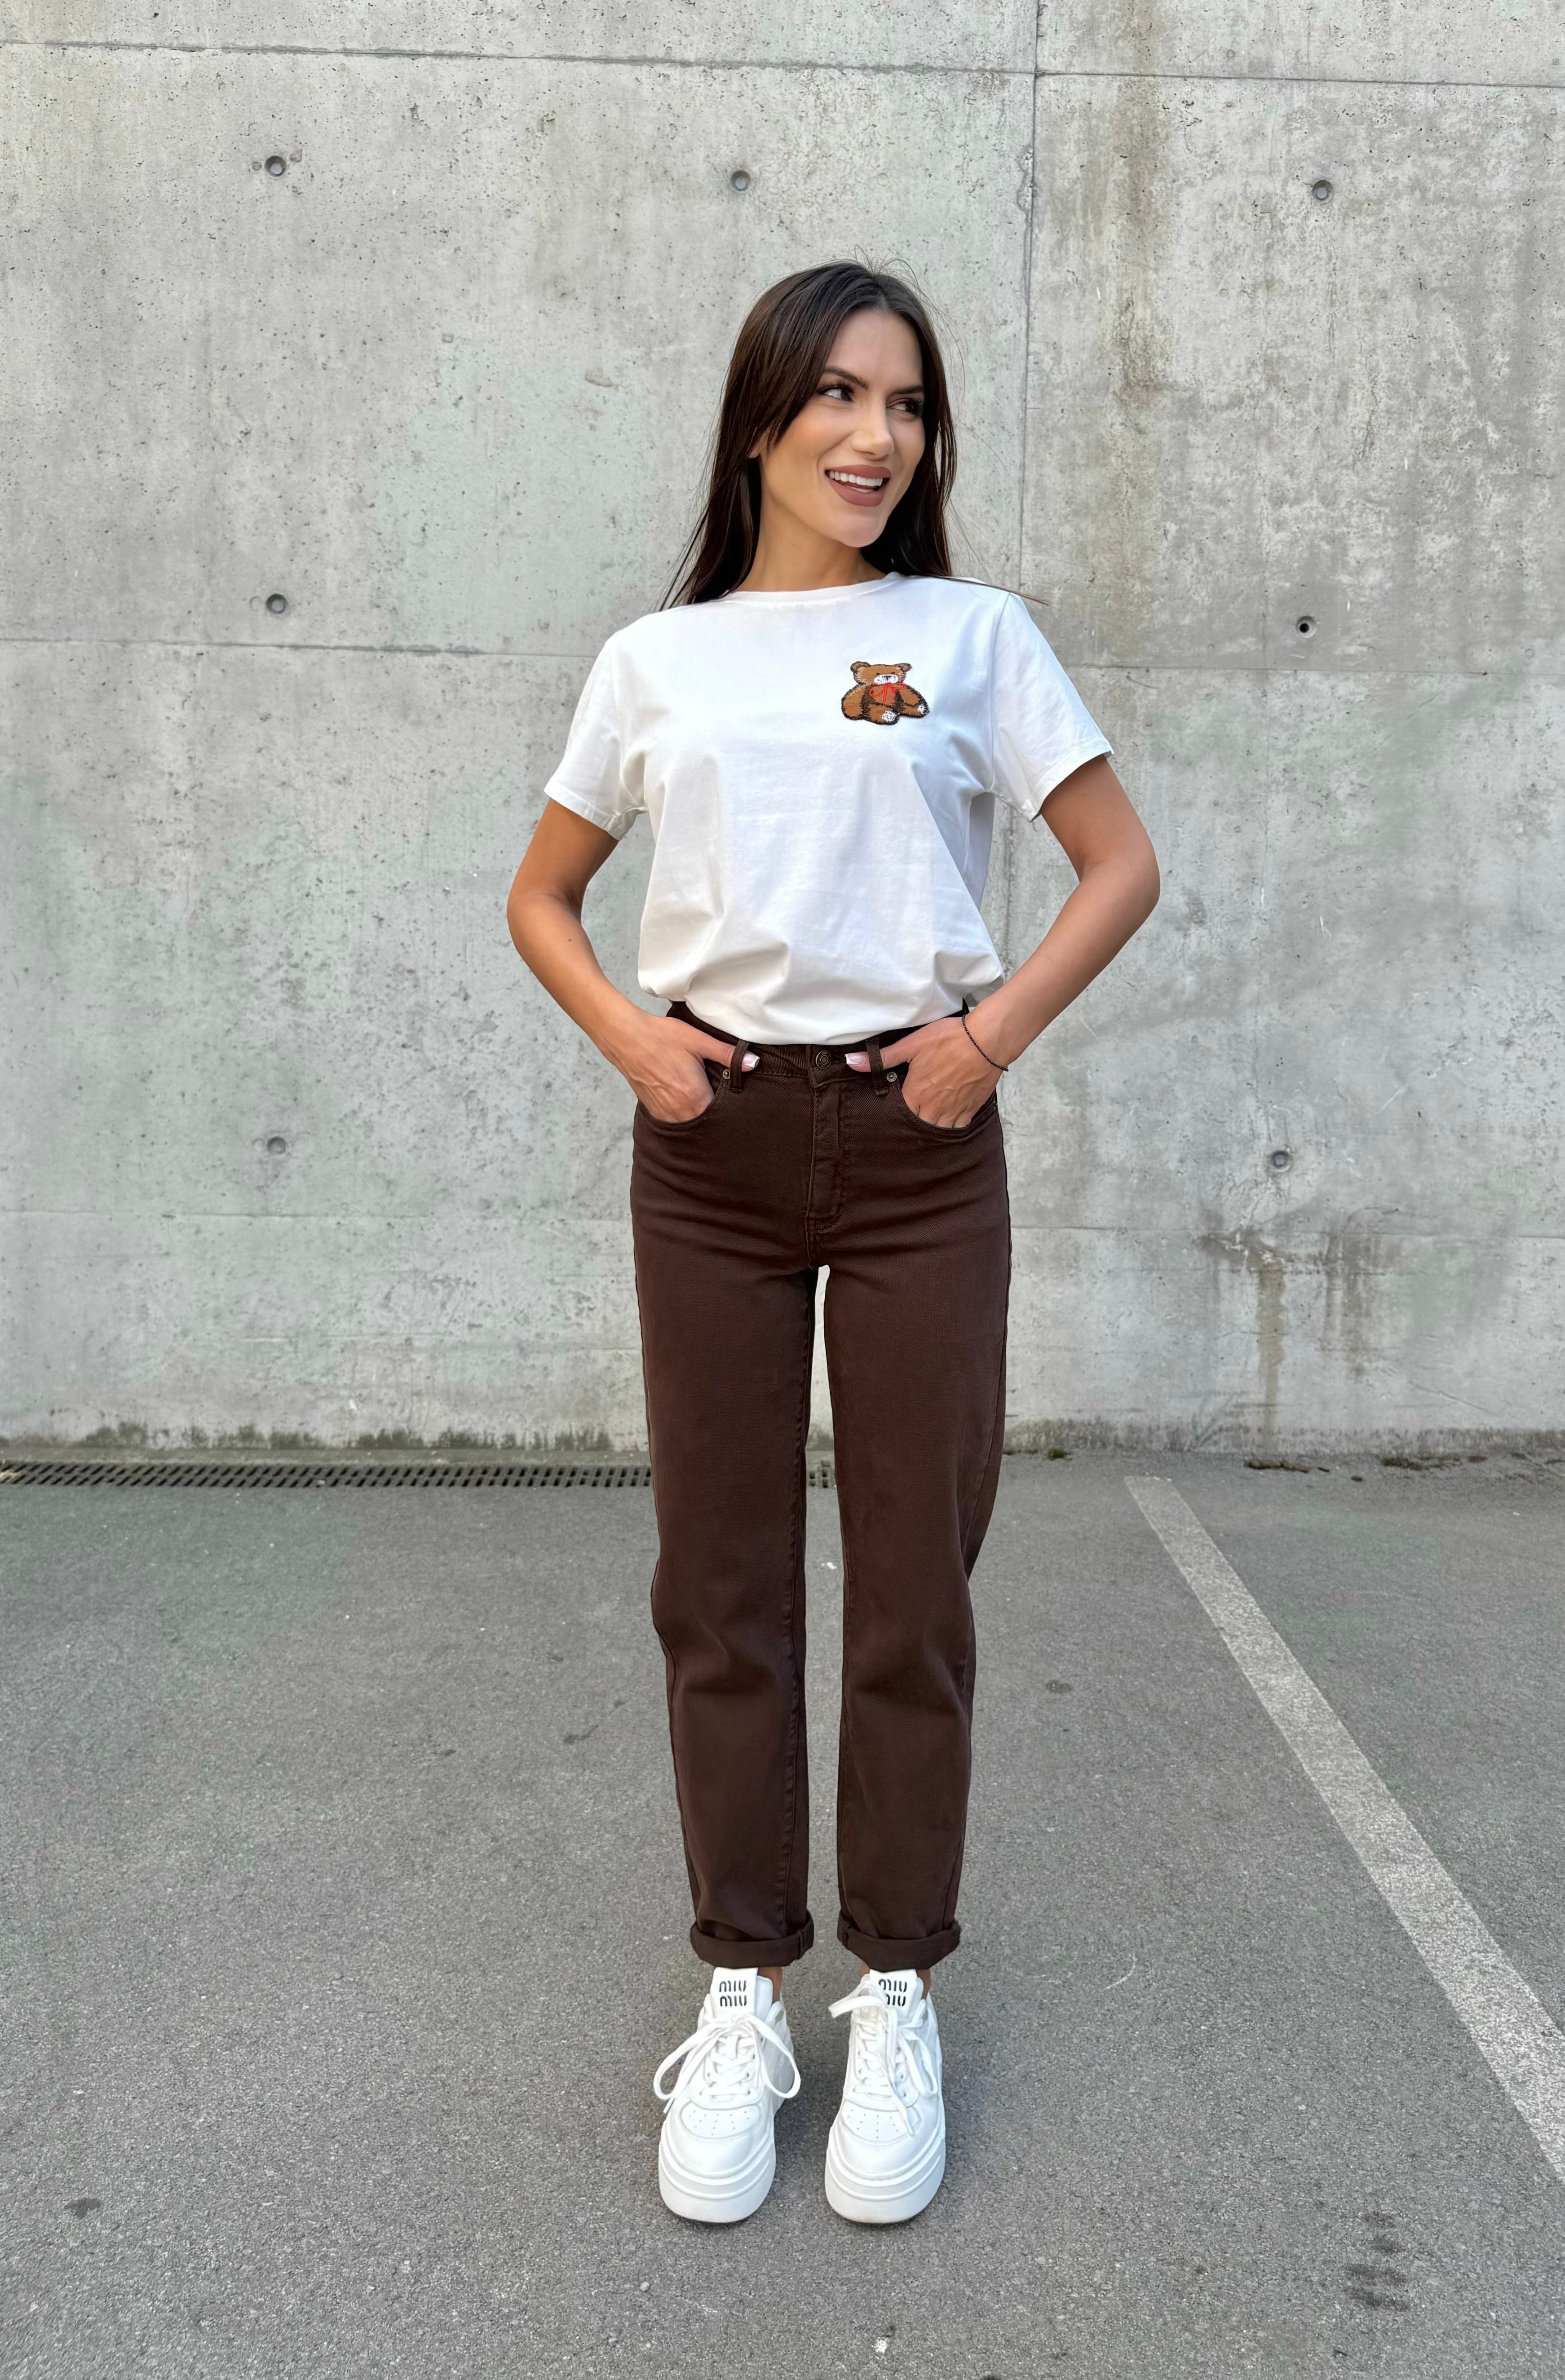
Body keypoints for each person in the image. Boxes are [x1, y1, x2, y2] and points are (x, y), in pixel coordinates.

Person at [506, 261, 1159, 2226]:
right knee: (720, 1585)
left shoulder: (970, 635)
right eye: (843, 396)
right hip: (710, 1153)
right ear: (762, 419)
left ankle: (894, 1987)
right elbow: (544, 895)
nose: (880, 436)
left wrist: (986, 1038)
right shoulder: (660, 658)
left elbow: (1118, 864)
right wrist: (637, 1040)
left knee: (910, 1589)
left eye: (911, 403)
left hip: (915, 1149)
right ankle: (741, 1984)